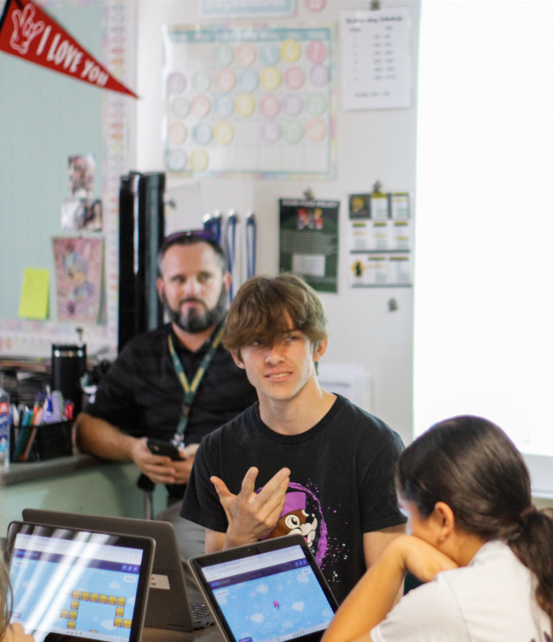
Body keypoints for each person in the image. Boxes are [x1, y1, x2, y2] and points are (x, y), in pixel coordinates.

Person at [323, 415, 553, 642]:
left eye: (409, 515)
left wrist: (396, 553)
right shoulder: (551, 563)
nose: (410, 531)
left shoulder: (453, 599)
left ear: (444, 519)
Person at [180, 273, 406, 602]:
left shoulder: (375, 445)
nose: (273, 356)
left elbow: (386, 599)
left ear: (319, 345)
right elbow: (219, 597)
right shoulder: (217, 451)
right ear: (238, 356)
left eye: (289, 339)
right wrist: (239, 537)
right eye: (257, 342)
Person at [77, 230, 257, 558]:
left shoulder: (255, 348)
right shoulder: (141, 354)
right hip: (191, 508)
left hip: (255, 501)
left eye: (204, 277)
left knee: (168, 550)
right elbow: (86, 429)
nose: (191, 289)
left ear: (226, 282)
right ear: (162, 288)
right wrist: (133, 449)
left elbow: (291, 432)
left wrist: (209, 463)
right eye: (178, 279)